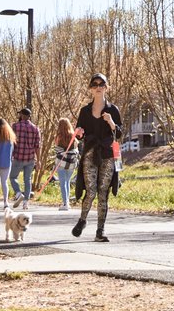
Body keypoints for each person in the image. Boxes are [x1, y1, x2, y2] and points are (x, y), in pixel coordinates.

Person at [72, 72, 122, 242]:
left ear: (106, 87)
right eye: (95, 84)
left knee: (103, 192)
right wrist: (78, 133)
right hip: (90, 153)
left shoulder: (112, 109)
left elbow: (119, 133)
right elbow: (79, 132)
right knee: (91, 191)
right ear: (90, 89)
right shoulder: (85, 111)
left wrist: (111, 123)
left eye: (102, 84)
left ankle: (100, 231)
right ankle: (83, 220)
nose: (99, 87)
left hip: (108, 154)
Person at [10, 107, 41, 210]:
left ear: (22, 115)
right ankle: (25, 203)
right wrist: (39, 160)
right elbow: (37, 146)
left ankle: (18, 194)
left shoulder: (15, 126)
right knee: (27, 180)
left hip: (18, 156)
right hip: (30, 158)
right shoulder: (35, 128)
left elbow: (11, 142)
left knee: (13, 177)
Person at [52, 118, 80, 211]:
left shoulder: (58, 137)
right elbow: (76, 147)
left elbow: (57, 150)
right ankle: (67, 202)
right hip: (71, 163)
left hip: (62, 163)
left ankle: (65, 203)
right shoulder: (73, 136)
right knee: (67, 181)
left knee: (62, 182)